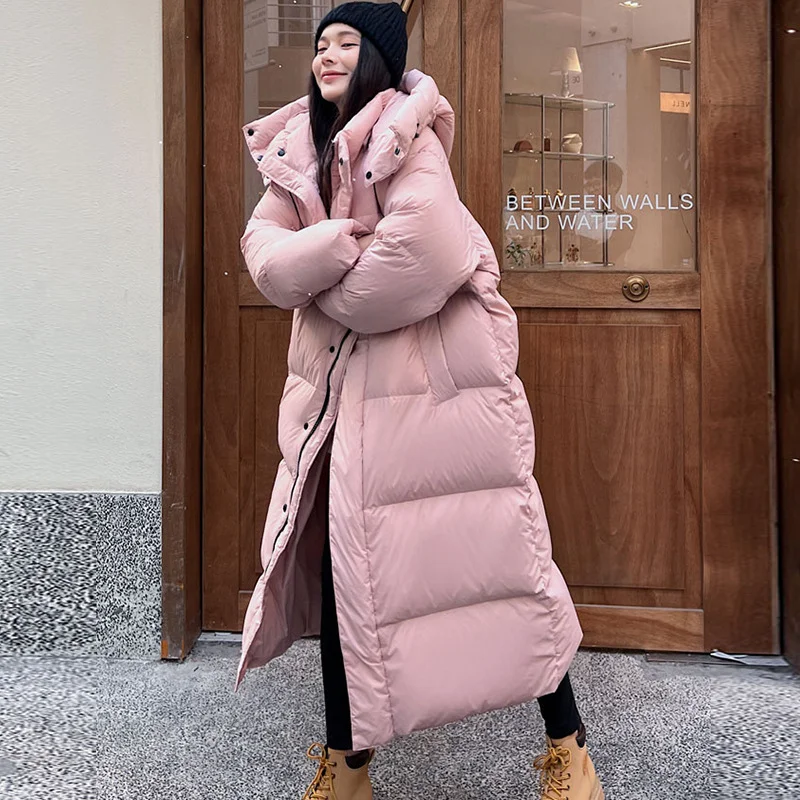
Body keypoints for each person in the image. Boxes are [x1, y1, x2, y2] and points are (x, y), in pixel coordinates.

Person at [237, 3, 605, 799]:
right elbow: (263, 257)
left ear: (378, 59)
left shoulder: (413, 140)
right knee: (345, 580)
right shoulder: (299, 148)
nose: (328, 55)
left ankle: (569, 750)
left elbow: (414, 262)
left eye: (347, 43)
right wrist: (334, 245)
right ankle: (347, 766)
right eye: (321, 43)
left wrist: (322, 279)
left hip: (434, 401)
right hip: (344, 408)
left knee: (504, 568)